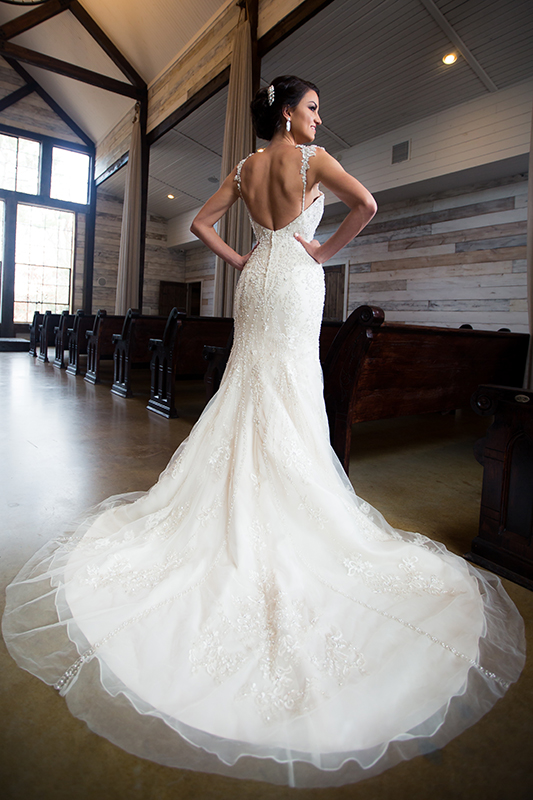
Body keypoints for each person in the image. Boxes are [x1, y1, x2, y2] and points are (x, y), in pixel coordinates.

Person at [2, 76, 525, 789]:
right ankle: (287, 496)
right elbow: (366, 205)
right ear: (288, 111)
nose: (318, 119)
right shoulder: (311, 163)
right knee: (290, 393)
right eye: (313, 108)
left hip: (259, 279)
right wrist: (323, 249)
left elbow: (198, 227)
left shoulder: (245, 168)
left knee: (250, 390)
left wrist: (243, 258)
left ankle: (243, 494)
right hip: (298, 278)